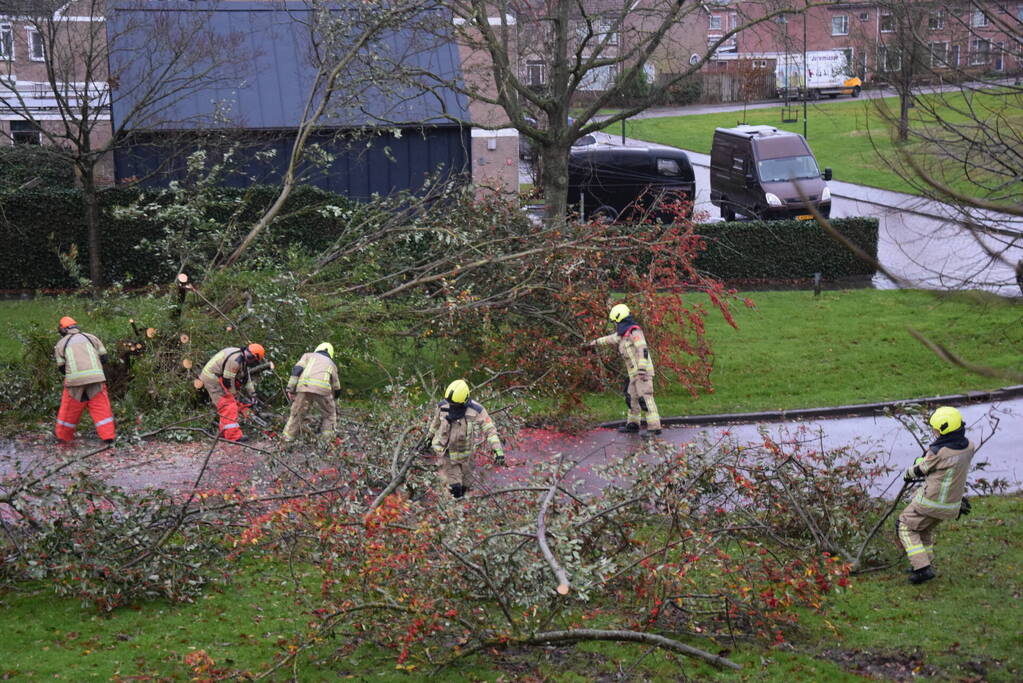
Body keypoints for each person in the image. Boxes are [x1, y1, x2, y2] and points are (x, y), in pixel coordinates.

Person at [897, 406, 975, 585]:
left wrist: (908, 472)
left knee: (905, 526)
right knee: (924, 528)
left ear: (945, 429)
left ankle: (922, 569)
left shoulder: (938, 452)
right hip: (952, 504)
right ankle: (925, 561)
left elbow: (920, 469)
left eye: (936, 429)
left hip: (931, 501)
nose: (934, 431)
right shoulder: (969, 446)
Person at [583, 303, 661, 437]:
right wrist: (593, 343)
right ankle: (633, 424)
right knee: (632, 398)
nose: (615, 325)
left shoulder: (634, 332)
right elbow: (610, 339)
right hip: (633, 374)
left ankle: (654, 428)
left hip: (642, 372)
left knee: (645, 398)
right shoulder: (623, 335)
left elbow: (643, 349)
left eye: (616, 322)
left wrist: (642, 369)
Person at [425, 379, 505, 498]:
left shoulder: (476, 410)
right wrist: (429, 437)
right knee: (455, 488)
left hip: (466, 455)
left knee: (466, 486)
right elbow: (435, 422)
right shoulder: (443, 406)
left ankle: (463, 506)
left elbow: (490, 430)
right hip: (447, 454)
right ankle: (453, 509)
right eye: (450, 403)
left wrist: (498, 450)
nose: (452, 406)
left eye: (455, 404)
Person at [53, 316, 115, 444]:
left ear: (63, 330)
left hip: (75, 383)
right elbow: (104, 358)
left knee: (69, 410)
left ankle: (63, 438)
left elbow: (62, 368)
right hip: (96, 379)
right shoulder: (91, 338)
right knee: (102, 409)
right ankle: (108, 438)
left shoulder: (61, 344)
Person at [199, 343, 266, 442]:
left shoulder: (243, 359)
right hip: (212, 378)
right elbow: (228, 381)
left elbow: (246, 380)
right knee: (228, 405)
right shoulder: (235, 360)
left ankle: (224, 433)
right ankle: (233, 436)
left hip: (217, 377)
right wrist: (235, 396)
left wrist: (253, 394)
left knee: (226, 406)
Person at [282, 342, 341, 444]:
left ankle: (286, 441)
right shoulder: (332, 364)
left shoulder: (307, 356)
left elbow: (297, 370)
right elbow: (336, 387)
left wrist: (290, 389)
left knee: (297, 414)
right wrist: (334, 401)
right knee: (329, 415)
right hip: (323, 390)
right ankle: (325, 443)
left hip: (304, 387)